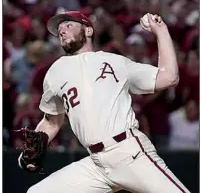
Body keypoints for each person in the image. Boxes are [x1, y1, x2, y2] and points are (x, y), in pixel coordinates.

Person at [18, 11, 190, 193]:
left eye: (68, 25)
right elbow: (51, 121)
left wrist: (161, 30)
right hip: (96, 164)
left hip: (128, 152)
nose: (62, 31)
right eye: (59, 30)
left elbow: (169, 77)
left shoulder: (115, 62)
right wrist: (31, 150)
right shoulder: (55, 72)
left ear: (89, 31)